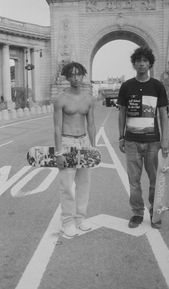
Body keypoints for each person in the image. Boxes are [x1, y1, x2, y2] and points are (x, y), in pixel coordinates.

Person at [118, 46, 169, 229]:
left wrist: (164, 139)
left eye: (145, 60)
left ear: (150, 63)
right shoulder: (126, 86)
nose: (141, 63)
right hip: (131, 141)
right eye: (138, 60)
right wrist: (121, 137)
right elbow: (122, 112)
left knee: (155, 181)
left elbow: (163, 113)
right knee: (134, 181)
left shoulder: (157, 86)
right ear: (134, 64)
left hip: (153, 142)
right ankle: (137, 213)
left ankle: (155, 213)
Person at [54, 61, 96, 237]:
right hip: (67, 142)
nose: (75, 77)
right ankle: (67, 222)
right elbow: (56, 127)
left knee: (84, 184)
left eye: (78, 74)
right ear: (67, 77)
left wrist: (93, 148)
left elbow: (91, 124)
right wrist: (58, 153)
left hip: (84, 142)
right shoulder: (61, 99)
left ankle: (80, 219)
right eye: (72, 74)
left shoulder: (89, 98)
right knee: (67, 186)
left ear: (83, 75)